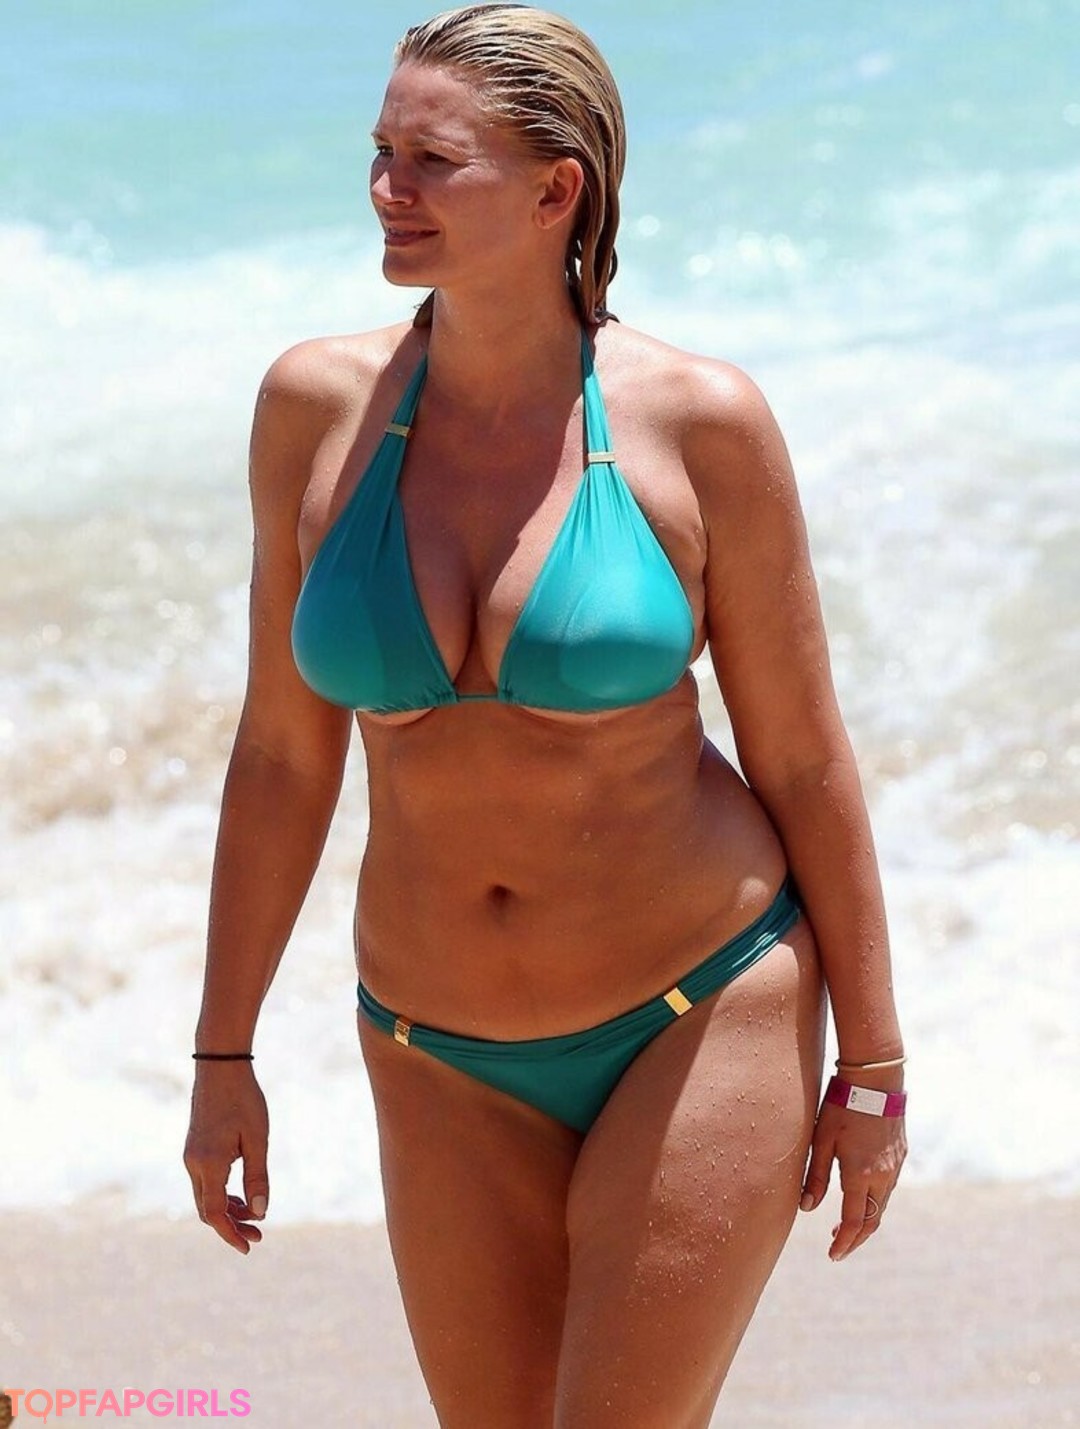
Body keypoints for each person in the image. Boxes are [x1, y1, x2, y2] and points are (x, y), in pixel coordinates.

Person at [184, 5, 907, 1425]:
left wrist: (873, 1066)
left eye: (431, 159)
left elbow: (803, 755)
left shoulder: (698, 421)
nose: (387, 188)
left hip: (697, 1006)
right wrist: (223, 1054)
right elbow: (279, 756)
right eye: (379, 152)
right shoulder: (313, 407)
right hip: (430, 1045)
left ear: (554, 189)